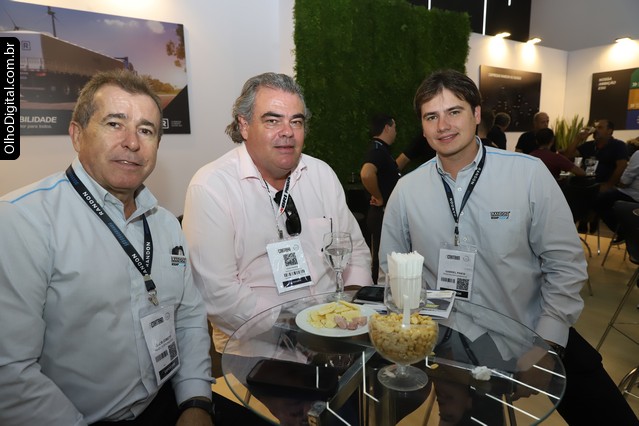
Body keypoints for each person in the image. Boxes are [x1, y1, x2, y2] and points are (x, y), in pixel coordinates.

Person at [379, 69, 638, 425]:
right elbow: (390, 273)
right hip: (452, 339)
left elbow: (564, 264)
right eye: (431, 116)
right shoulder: (407, 191)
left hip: (528, 323)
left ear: (476, 114)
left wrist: (547, 344)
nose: (443, 126)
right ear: (422, 127)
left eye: (454, 111)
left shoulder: (527, 175)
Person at [0, 70, 215, 425]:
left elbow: (188, 319)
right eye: (115, 124)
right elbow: (9, 371)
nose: (132, 142)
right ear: (77, 134)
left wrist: (196, 401)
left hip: (167, 404)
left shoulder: (165, 225)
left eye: (146, 130)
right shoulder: (21, 221)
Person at [182, 72, 372, 353]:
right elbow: (218, 293)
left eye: (296, 121)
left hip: (336, 336)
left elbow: (355, 250)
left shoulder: (321, 175)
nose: (287, 132)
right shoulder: (212, 187)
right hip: (259, 351)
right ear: (244, 125)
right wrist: (298, 327)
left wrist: (351, 308)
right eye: (272, 121)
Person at [360, 113, 401, 283]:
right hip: (381, 214)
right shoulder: (377, 150)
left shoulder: (381, 149)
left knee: (384, 255)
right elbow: (366, 173)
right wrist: (379, 197)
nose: (396, 132)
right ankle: (376, 291)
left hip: (385, 214)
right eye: (395, 128)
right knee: (380, 258)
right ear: (387, 128)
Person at [595, 138, 639, 243]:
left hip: (633, 197)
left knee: (597, 200)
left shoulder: (638, 154)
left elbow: (625, 182)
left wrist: (615, 184)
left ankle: (625, 233)